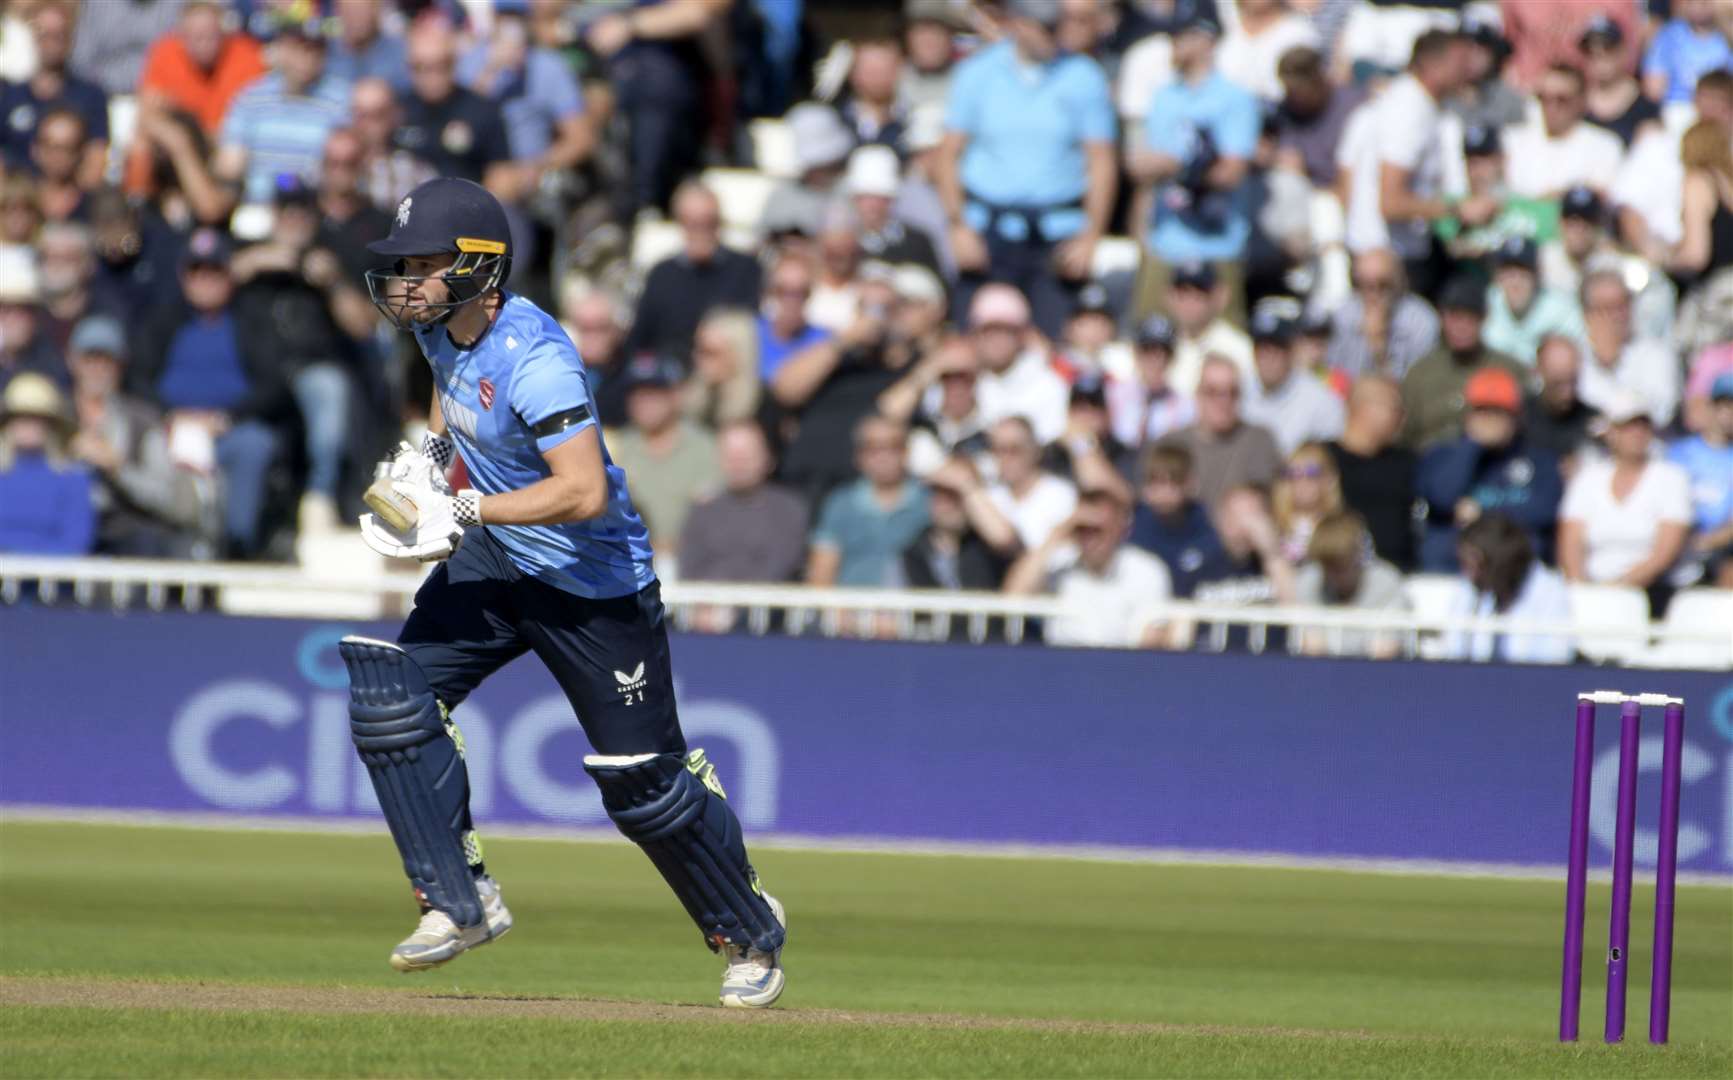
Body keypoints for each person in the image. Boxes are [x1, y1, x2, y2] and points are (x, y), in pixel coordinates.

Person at [352, 176, 787, 1006]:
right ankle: (458, 899)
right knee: (392, 695)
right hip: (500, 558)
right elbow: (451, 397)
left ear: (480, 266)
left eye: (422, 263)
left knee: (642, 780)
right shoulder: (441, 325)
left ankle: (749, 934)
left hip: (592, 584)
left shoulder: (539, 361)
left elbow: (583, 492)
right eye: (401, 263)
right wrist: (428, 460)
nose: (405, 279)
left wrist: (465, 503)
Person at [937, 0, 1117, 337]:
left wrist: (1091, 234)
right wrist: (957, 225)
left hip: (1056, 234)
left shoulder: (1083, 76)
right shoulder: (979, 72)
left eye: (1056, 25)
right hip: (987, 232)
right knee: (975, 338)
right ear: (1017, 24)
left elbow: (1101, 161)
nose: (1053, 35)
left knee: (1054, 343)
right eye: (1043, 27)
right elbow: (947, 155)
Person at [1128, 15, 1259, 318]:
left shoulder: (1234, 98)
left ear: (1205, 39)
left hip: (1217, 246)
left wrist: (1177, 165)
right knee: (1149, 342)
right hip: (1165, 243)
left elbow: (1232, 171)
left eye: (1180, 36)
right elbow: (1140, 166)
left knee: (1223, 351)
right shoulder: (1163, 96)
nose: (1171, 45)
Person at [1344, 30, 1481, 293]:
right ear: (1432, 65)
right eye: (1460, 61)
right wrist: (1458, 210)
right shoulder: (1409, 108)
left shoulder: (1422, 106)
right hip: (1386, 262)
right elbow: (1391, 202)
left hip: (1397, 254)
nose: (1468, 69)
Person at [64, 314, 203, 557]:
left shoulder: (142, 421)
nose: (97, 369)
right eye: (89, 359)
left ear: (121, 365)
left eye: (106, 361)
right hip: (63, 528)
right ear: (73, 361)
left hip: (127, 533)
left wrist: (119, 469)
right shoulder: (54, 414)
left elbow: (169, 497)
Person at [1003, 469, 1172, 649]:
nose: (1089, 538)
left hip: (1121, 667)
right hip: (1062, 664)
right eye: (1082, 529)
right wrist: (1059, 533)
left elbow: (1152, 640)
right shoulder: (1059, 566)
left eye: (1097, 530)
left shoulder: (1147, 570)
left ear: (1120, 528)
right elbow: (1013, 599)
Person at [1416, 368, 1563, 573]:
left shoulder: (1539, 461)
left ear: (1516, 417)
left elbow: (1545, 510)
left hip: (1516, 573)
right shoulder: (1443, 454)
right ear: (1468, 415)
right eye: (1482, 411)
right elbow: (1441, 497)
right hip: (1451, 569)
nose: (1490, 420)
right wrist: (1471, 446)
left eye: (1499, 412)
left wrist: (1483, 514)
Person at [1558, 391, 1693, 612]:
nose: (1637, 433)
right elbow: (1571, 544)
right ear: (1609, 432)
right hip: (1592, 589)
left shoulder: (1672, 478)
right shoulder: (1588, 478)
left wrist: (1616, 591)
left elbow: (1664, 554)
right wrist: (1581, 592)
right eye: (1627, 426)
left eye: (1643, 426)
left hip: (1652, 593)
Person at [214, 14, 351, 208]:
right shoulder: (250, 99)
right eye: (299, 47)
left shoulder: (341, 101)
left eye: (315, 48)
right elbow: (229, 165)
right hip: (259, 207)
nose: (307, 57)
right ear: (282, 48)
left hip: (315, 209)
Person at [624, 182, 761, 367]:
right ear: (681, 223)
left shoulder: (745, 270)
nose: (701, 231)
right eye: (693, 223)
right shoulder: (662, 275)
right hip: (671, 379)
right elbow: (641, 341)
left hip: (727, 373)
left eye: (709, 222)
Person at [1400, 276, 1526, 450]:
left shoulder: (1509, 369)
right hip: (1430, 464)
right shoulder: (1420, 373)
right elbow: (1405, 434)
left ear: (1484, 319)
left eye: (1470, 317)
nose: (1462, 326)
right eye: (1455, 317)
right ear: (1442, 318)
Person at [677, 420, 808, 586]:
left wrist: (731, 605)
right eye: (730, 456)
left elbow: (779, 569)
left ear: (769, 458)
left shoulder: (789, 509)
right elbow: (688, 569)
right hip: (706, 605)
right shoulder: (703, 510)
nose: (738, 464)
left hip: (762, 607)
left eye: (746, 455)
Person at [805, 414, 930, 587]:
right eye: (873, 448)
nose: (884, 456)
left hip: (915, 612)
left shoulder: (930, 501)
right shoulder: (840, 503)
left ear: (906, 452)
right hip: (850, 610)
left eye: (893, 446)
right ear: (858, 455)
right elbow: (820, 578)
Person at [1440, 512, 1576, 665]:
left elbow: (1554, 657)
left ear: (1498, 562)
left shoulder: (1549, 591)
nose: (1469, 575)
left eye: (1474, 565)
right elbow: (1453, 650)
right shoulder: (1467, 588)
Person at [0, 0, 108, 187]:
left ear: (71, 37)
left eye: (59, 35)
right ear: (33, 35)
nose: (51, 42)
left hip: (73, 203)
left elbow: (95, 163)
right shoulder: (10, 96)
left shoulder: (91, 96)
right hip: (21, 202)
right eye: (45, 34)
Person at [1161, 354, 1283, 514]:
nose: (1224, 401)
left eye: (1232, 392)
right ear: (1197, 395)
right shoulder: (1172, 445)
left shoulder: (1259, 440)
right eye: (1213, 392)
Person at [1325, 375, 1416, 571]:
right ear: (1363, 408)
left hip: (1397, 573)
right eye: (1395, 408)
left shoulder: (1406, 461)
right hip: (1337, 574)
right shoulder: (1323, 459)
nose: (1402, 417)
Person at [0, 371, 95, 554]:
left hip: (52, 580)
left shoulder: (73, 479)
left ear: (51, 425)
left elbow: (76, 543)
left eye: (37, 418)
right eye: (21, 417)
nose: (28, 425)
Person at [897, 454, 1021, 593]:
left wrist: (966, 486)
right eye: (938, 492)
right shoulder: (913, 551)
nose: (946, 502)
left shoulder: (987, 547)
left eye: (955, 494)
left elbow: (1004, 539)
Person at [1293, 510, 1407, 659]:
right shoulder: (1308, 582)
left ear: (1357, 555)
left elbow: (1386, 649)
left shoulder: (1387, 583)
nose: (1333, 575)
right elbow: (1312, 648)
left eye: (1340, 565)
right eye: (1327, 566)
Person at [1502, 64, 1625, 200]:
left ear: (1581, 101)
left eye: (1561, 100)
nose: (1551, 107)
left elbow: (1598, 194)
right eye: (1543, 98)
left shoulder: (1604, 146)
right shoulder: (1513, 141)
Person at [1577, 269, 1679, 428]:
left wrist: (1614, 363)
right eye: (1607, 308)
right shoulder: (1575, 357)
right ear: (1587, 314)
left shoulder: (1656, 353)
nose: (1618, 316)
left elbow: (1662, 412)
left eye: (1623, 305)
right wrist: (1605, 364)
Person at [1128, 441, 1228, 599]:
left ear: (1190, 484)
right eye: (1155, 482)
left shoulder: (1207, 526)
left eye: (1173, 482)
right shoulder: (1133, 528)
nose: (1164, 491)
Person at [1241, 303, 1343, 454]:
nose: (1268, 356)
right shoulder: (1236, 391)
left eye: (1277, 347)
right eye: (1261, 346)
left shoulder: (1322, 401)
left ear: (1293, 349)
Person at [1325, 248, 1438, 382]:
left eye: (1383, 285)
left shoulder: (1421, 321)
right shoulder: (1343, 315)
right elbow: (1331, 370)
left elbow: (1416, 385)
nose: (1373, 295)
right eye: (1364, 285)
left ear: (1400, 282)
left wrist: (1379, 347)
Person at [1666, 373, 1733, 588]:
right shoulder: (1678, 453)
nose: (1730, 413)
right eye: (1725, 405)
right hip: (1676, 543)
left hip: (1722, 552)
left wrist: (1707, 542)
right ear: (1711, 407)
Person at [1480, 237, 1585, 367]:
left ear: (1537, 274)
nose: (1515, 282)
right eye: (1508, 272)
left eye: (1523, 272)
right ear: (1497, 276)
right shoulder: (1487, 303)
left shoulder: (1562, 310)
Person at [1271, 45, 1363, 189]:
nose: (1295, 99)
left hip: (1337, 196)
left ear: (1319, 81)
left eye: (1300, 92)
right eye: (1289, 92)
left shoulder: (1355, 109)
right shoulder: (1283, 110)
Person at [985, 415, 1077, 550]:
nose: (1005, 458)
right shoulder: (989, 494)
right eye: (999, 450)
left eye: (1014, 450)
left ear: (1036, 451)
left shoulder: (1061, 495)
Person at [1165, 260, 1253, 394]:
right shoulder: (1154, 345)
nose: (1190, 300)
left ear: (1219, 297)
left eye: (1200, 292)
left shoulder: (1239, 348)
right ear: (1169, 296)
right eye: (1183, 291)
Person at [1108, 314, 1194, 449]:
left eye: (1165, 352)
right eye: (1148, 350)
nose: (1157, 361)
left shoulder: (1185, 406)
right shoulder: (1112, 395)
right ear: (1135, 353)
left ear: (1173, 357)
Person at [1580, 16, 1660, 149]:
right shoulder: (1575, 104)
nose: (1598, 55)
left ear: (1623, 52)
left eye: (1607, 48)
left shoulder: (1645, 108)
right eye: (1590, 51)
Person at [1524, 334, 1597, 471]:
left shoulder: (1593, 421)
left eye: (1572, 382)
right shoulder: (1520, 417)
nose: (1567, 394)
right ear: (1539, 372)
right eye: (1558, 384)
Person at [1642, 0, 1733, 110]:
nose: (1697, 6)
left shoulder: (1727, 35)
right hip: (1679, 107)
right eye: (1691, 2)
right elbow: (1654, 89)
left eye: (1704, 3)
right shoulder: (1669, 34)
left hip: (1722, 107)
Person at [1272, 441, 1342, 565]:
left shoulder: (1345, 525)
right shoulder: (1275, 527)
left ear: (1330, 478)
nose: (1302, 481)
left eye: (1312, 472)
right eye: (1293, 474)